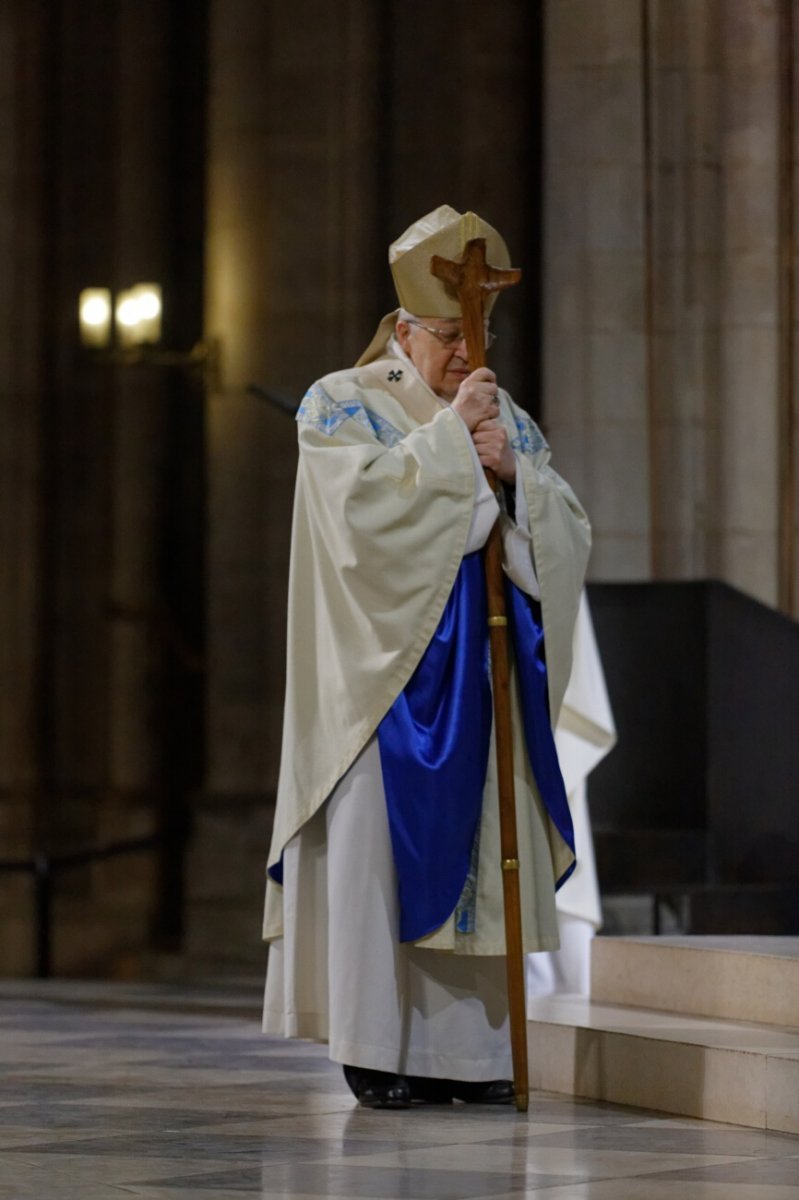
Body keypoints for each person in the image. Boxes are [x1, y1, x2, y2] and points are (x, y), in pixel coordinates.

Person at [262, 205, 591, 1108]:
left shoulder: (501, 411)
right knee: (380, 853)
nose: (461, 350)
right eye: (448, 333)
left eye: (474, 332)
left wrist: (517, 478)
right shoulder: (342, 399)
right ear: (404, 328)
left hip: (481, 687)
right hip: (385, 682)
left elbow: (565, 531)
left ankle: (475, 1060)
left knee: (485, 853)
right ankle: (377, 1048)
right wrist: (455, 445)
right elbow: (361, 523)